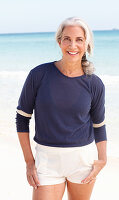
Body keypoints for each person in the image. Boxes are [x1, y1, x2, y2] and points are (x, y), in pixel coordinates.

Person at [16, 17, 107, 200]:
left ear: (86, 44)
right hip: (47, 162)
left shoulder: (95, 84)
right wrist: (29, 162)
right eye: (67, 39)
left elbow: (99, 125)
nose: (72, 45)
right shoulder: (39, 75)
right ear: (59, 42)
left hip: (82, 161)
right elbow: (22, 118)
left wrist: (102, 159)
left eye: (79, 39)